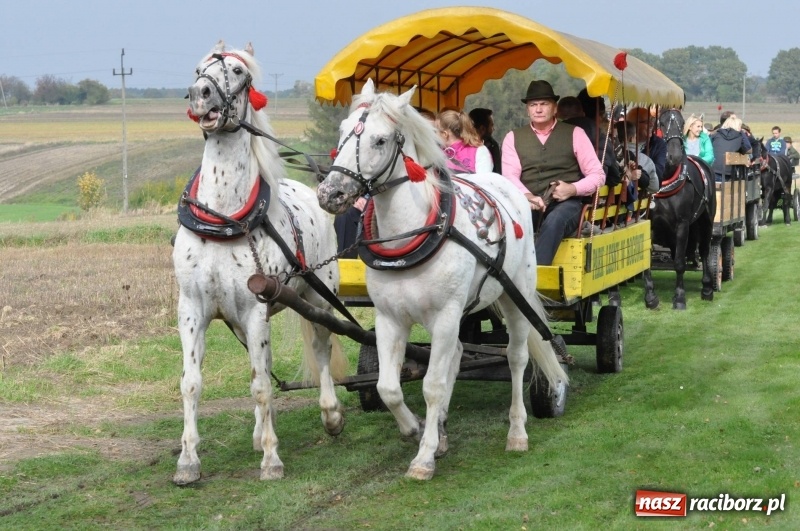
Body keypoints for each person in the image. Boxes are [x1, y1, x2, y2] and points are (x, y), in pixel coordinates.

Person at [501, 80, 605, 265]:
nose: (538, 109)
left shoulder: (575, 133)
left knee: (554, 221)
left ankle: (537, 278)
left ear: (555, 108)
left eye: (544, 104)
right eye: (533, 105)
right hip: (527, 202)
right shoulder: (513, 137)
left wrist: (572, 189)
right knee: (502, 221)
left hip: (567, 205)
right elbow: (510, 176)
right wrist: (527, 195)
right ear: (527, 110)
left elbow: (598, 175)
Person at [566, 92, 621, 188]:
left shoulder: (555, 131)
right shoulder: (599, 135)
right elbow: (615, 176)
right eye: (603, 115)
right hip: (585, 193)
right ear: (599, 115)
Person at [436, 109, 493, 173]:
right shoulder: (436, 152)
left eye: (436, 131)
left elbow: (484, 180)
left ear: (445, 134)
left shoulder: (479, 150)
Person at [626, 107, 667, 186]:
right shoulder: (620, 141)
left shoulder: (658, 144)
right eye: (647, 122)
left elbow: (658, 174)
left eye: (652, 120)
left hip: (644, 194)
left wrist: (639, 173)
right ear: (633, 125)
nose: (652, 124)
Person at [711, 115, 751, 181]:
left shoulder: (716, 134)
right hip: (728, 173)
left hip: (712, 170)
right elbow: (748, 149)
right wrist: (742, 133)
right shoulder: (739, 136)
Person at [468, 107, 502, 173]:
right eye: (491, 126)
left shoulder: (492, 145)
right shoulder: (492, 145)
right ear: (482, 129)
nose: (493, 129)